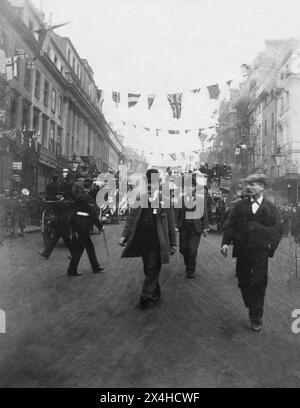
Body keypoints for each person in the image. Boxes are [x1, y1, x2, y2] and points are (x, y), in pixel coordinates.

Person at [221, 174, 281, 332]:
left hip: (260, 252)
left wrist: (270, 247)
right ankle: (250, 303)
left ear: (262, 186)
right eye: (247, 184)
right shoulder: (239, 206)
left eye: (252, 184)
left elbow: (277, 230)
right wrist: (226, 243)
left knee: (259, 282)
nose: (248, 187)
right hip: (242, 251)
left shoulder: (270, 208)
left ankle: (256, 317)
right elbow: (231, 225)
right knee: (243, 280)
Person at [119, 169, 177, 309]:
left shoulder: (165, 201)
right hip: (143, 239)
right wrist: (124, 236)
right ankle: (154, 289)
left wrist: (173, 243)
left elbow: (171, 224)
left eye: (154, 184)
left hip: (159, 241)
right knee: (148, 267)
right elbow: (131, 219)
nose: (151, 187)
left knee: (152, 266)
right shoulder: (140, 198)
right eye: (149, 184)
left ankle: (146, 294)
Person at [177, 175, 209, 279]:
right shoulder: (181, 199)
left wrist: (205, 227)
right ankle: (188, 262)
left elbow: (204, 213)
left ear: (195, 187)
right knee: (183, 249)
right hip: (184, 227)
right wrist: (175, 226)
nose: (189, 188)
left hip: (196, 228)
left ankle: (190, 270)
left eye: (191, 186)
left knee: (192, 249)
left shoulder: (200, 198)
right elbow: (177, 213)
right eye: (187, 186)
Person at [67, 186, 104, 277]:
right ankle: (72, 270)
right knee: (79, 249)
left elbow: (73, 213)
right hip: (84, 226)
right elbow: (93, 214)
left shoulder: (78, 198)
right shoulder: (89, 198)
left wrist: (72, 227)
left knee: (89, 247)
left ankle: (95, 267)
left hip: (78, 225)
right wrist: (100, 226)